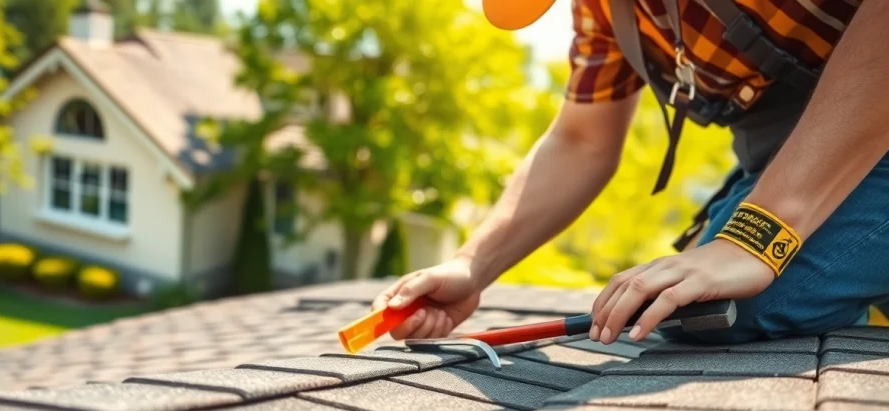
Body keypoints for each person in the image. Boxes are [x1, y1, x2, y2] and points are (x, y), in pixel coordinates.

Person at [372, 0, 889, 345]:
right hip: (789, 161)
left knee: (736, 307)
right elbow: (582, 139)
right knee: (684, 307)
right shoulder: (608, 9)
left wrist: (757, 236)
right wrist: (472, 265)